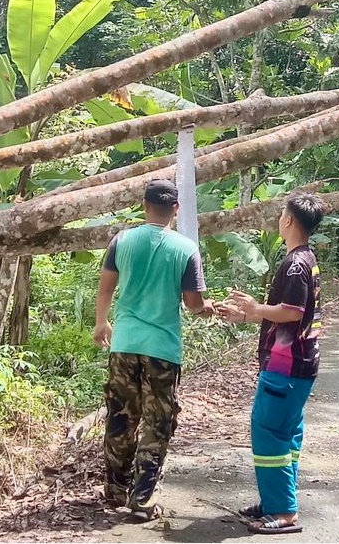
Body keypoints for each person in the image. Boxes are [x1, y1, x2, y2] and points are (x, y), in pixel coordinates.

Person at [93, 178, 215, 523]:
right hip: (162, 348)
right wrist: (206, 307)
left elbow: (105, 288)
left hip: (125, 343)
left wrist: (101, 323)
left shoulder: (122, 240)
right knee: (157, 422)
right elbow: (193, 304)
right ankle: (142, 495)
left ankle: (115, 490)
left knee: (121, 416)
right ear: (175, 209)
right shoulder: (186, 248)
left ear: (144, 205)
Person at [218, 191, 325, 535]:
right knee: (286, 434)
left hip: (286, 366)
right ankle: (277, 498)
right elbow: (291, 316)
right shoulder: (307, 258)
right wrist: (247, 316)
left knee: (268, 432)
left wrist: (255, 308)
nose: (280, 219)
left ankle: (283, 512)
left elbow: (291, 313)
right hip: (298, 362)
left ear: (290, 220)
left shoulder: (295, 264)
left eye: (282, 214)